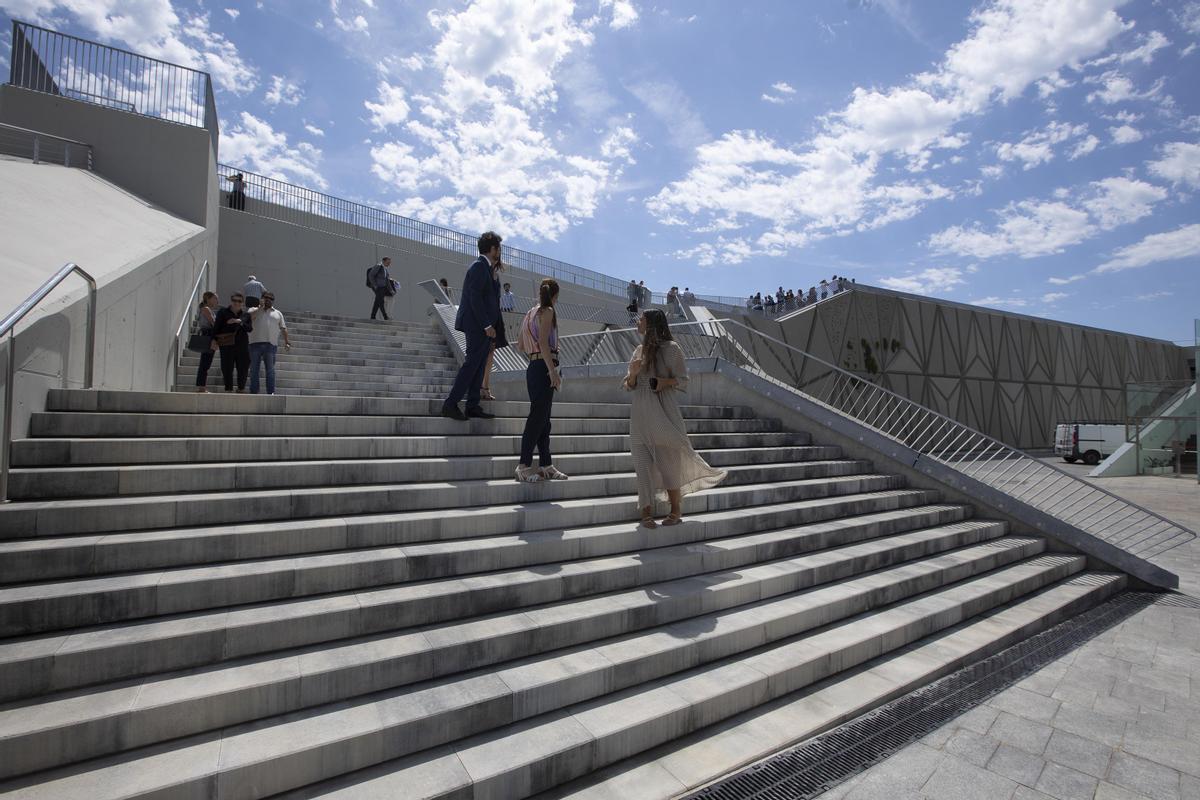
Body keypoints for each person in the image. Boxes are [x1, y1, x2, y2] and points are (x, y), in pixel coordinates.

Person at [622, 309, 725, 527]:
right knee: (642, 466)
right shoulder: (638, 351)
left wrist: (662, 382)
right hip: (640, 415)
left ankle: (676, 511)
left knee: (669, 463)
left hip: (663, 412)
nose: (637, 322)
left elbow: (683, 380)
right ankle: (646, 513)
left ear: (650, 323)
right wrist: (632, 373)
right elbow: (628, 386)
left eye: (641, 319)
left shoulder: (672, 349)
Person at [441, 232, 501, 421]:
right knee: (471, 364)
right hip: (477, 325)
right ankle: (450, 404)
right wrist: (486, 325)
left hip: (482, 326)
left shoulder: (487, 269)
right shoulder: (478, 267)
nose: (499, 252)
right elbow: (474, 297)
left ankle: (472, 405)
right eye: (498, 248)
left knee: (479, 364)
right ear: (492, 249)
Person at [516, 279, 567, 483]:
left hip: (533, 367)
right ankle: (523, 465)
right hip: (544, 367)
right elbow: (543, 342)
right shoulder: (548, 311)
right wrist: (552, 371)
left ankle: (546, 464)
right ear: (555, 296)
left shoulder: (530, 313)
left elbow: (520, 345)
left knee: (543, 419)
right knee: (538, 418)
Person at [246, 292, 291, 395]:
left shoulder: (278, 313)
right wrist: (260, 308)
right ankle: (254, 391)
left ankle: (271, 392)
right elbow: (249, 318)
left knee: (270, 371)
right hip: (254, 344)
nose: (268, 300)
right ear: (262, 298)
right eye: (266, 298)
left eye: (271, 298)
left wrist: (287, 341)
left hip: (270, 346)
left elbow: (283, 328)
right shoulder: (253, 309)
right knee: (254, 370)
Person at [480, 261, 509, 402]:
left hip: (495, 318)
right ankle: (480, 387)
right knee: (483, 354)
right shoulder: (483, 272)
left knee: (491, 354)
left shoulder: (496, 275)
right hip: (484, 319)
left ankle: (485, 387)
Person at [213, 293, 251, 393]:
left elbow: (249, 328)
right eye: (234, 300)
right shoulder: (223, 312)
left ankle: (241, 388)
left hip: (242, 345)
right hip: (226, 344)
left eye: (239, 301)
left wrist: (239, 322)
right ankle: (228, 388)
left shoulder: (246, 315)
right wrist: (214, 340)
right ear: (231, 301)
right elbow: (216, 327)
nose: (237, 303)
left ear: (242, 303)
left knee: (243, 367)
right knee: (226, 368)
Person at [194, 291, 219, 393]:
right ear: (208, 299)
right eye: (215, 298)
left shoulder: (209, 310)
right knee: (205, 363)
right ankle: (201, 387)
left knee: (206, 363)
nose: (217, 300)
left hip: (210, 336)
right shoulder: (206, 309)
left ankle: (202, 386)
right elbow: (214, 323)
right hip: (207, 336)